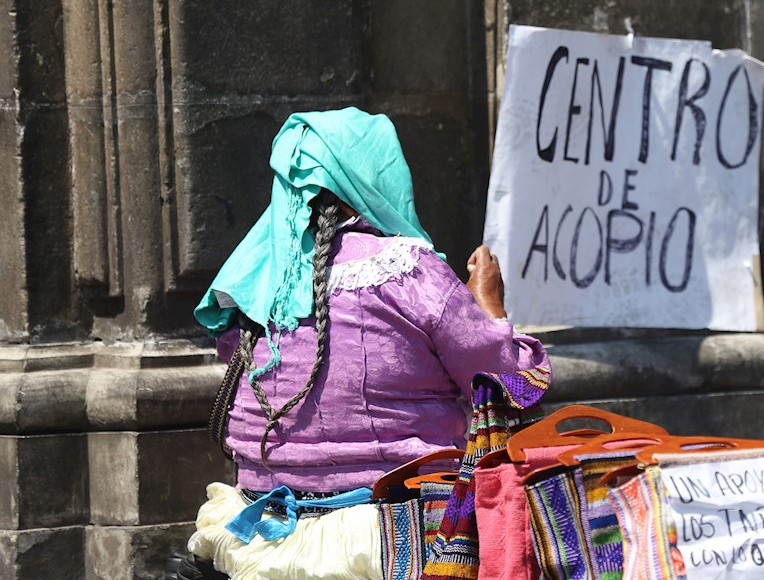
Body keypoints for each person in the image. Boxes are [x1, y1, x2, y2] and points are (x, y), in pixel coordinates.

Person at [181, 108, 550, 580]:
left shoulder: (253, 278)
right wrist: (490, 309)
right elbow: (509, 383)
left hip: (255, 532)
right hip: (385, 537)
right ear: (377, 177)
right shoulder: (409, 271)